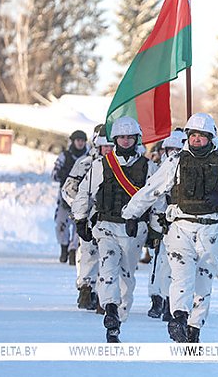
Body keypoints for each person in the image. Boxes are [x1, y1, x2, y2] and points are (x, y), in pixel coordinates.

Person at [120, 113, 218, 343]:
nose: (197, 140)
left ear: (211, 137)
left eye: (202, 136)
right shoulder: (175, 161)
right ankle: (179, 316)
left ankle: (194, 327)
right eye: (193, 135)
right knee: (181, 277)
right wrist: (131, 213)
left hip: (213, 231)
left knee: (203, 282)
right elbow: (152, 189)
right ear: (188, 137)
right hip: (181, 227)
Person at [71, 117, 158, 342]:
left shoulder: (149, 167)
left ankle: (119, 315)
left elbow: (157, 199)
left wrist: (157, 229)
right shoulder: (101, 165)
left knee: (126, 276)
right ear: (115, 139)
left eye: (130, 137)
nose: (126, 141)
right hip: (106, 226)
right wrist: (80, 219)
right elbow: (84, 193)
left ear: (136, 139)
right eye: (121, 137)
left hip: (134, 231)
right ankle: (109, 310)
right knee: (108, 267)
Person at [62, 124, 109, 313]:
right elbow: (69, 188)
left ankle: (105, 296)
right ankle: (87, 289)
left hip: (114, 219)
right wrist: (80, 208)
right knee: (88, 254)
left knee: (111, 259)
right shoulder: (85, 163)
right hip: (90, 218)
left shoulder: (124, 165)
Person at [144, 128, 187, 321]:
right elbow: (153, 195)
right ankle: (157, 298)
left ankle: (173, 302)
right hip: (161, 222)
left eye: (176, 149)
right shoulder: (158, 169)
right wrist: (157, 221)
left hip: (183, 222)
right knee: (159, 263)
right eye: (169, 149)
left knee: (177, 266)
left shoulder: (189, 168)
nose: (172, 153)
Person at [52, 129, 90, 264]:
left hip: (83, 196)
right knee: (60, 224)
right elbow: (54, 174)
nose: (80, 143)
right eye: (78, 140)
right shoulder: (65, 156)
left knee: (79, 225)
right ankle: (64, 247)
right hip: (64, 196)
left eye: (82, 141)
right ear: (73, 141)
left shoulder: (88, 157)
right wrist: (64, 174)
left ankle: (73, 250)